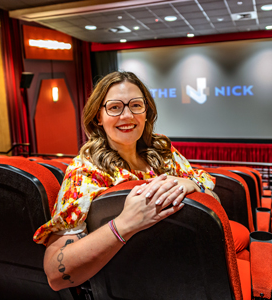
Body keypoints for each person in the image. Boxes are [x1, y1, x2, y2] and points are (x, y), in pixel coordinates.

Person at [33, 71, 249, 291]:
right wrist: (124, 225)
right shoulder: (84, 173)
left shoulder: (164, 153)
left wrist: (193, 186)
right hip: (136, 283)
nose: (127, 115)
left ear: (146, 111)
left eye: (136, 105)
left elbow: (214, 200)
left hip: (186, 267)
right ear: (98, 116)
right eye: (115, 107)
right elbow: (55, 274)